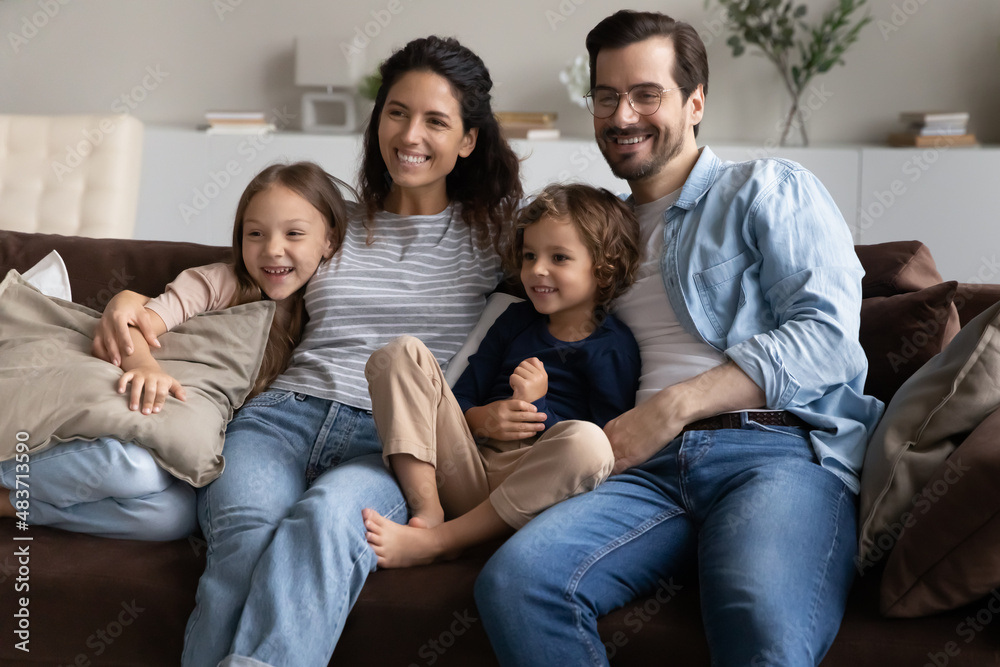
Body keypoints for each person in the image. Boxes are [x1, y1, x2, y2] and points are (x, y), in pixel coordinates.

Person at [474, 10, 885, 667]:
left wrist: (673, 406)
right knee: (517, 581)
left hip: (771, 448)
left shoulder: (767, 189)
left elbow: (828, 335)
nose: (622, 114)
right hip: (640, 471)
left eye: (645, 93)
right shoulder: (589, 233)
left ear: (695, 102)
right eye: (605, 96)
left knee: (758, 616)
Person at [99, 36, 522, 667]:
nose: (411, 133)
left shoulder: (499, 240)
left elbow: (579, 280)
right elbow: (223, 281)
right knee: (244, 540)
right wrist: (129, 302)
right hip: (280, 419)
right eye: (397, 112)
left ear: (467, 140)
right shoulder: (327, 223)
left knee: (326, 523)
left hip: (393, 445)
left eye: (437, 120)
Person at [0, 161, 349, 541]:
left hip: (194, 450)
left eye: (294, 233)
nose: (273, 250)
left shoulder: (328, 309)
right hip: (145, 420)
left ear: (329, 240)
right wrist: (146, 365)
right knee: (135, 470)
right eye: (256, 234)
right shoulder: (221, 283)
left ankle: (10, 504)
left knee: (174, 518)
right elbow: (136, 322)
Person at [362, 183, 641, 568]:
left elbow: (609, 445)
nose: (537, 270)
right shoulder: (514, 320)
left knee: (590, 443)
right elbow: (458, 399)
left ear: (604, 266)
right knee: (399, 353)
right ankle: (428, 514)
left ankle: (442, 542)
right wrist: (483, 419)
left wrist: (537, 406)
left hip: (532, 481)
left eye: (559, 257)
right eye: (529, 256)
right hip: (466, 468)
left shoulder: (614, 346)